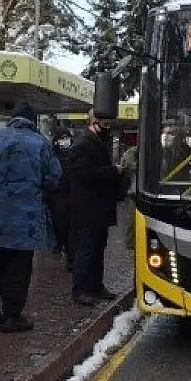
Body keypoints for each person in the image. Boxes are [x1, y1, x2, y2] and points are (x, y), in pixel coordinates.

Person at [0, 102, 62, 332]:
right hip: (25, 213)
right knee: (19, 263)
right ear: (32, 121)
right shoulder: (40, 143)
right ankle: (12, 314)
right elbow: (54, 177)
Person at [67, 110, 123, 307]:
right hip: (88, 209)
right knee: (87, 249)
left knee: (98, 249)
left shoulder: (96, 143)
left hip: (98, 208)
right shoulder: (82, 146)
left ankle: (95, 286)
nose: (108, 129)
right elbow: (85, 175)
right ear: (94, 123)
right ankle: (81, 289)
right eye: (105, 124)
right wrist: (113, 171)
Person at [48, 126, 75, 271]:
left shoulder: (74, 152)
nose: (64, 141)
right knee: (60, 224)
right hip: (57, 194)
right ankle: (62, 245)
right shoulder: (52, 154)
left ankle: (71, 256)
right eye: (61, 138)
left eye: (66, 137)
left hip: (71, 193)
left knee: (71, 226)